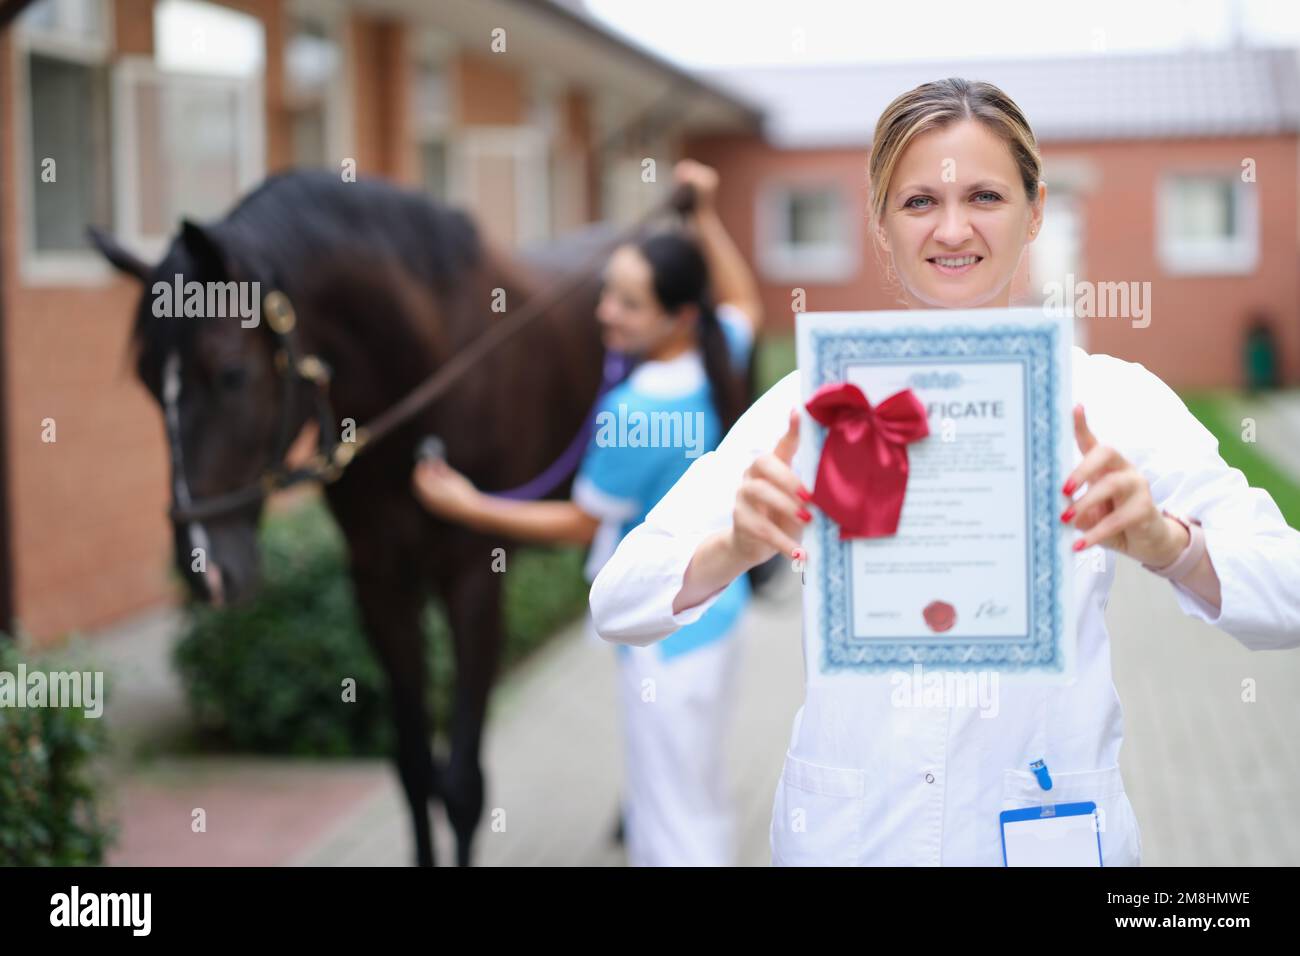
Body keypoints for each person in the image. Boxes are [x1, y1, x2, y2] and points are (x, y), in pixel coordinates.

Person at [589, 78, 1300, 866]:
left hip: (1044, 831)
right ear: (880, 224)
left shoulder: (1111, 402)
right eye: (919, 200)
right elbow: (617, 600)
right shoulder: (809, 408)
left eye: (987, 196)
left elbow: (1288, 590)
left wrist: (1170, 544)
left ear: (1035, 212)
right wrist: (732, 547)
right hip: (854, 836)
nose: (953, 228)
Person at [412, 160, 763, 865]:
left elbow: (580, 522)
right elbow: (744, 298)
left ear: (677, 316)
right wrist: (706, 213)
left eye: (628, 304)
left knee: (669, 818)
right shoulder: (717, 355)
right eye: (608, 295)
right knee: (699, 793)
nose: (605, 313)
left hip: (663, 631)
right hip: (721, 616)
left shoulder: (634, 412)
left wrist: (469, 504)